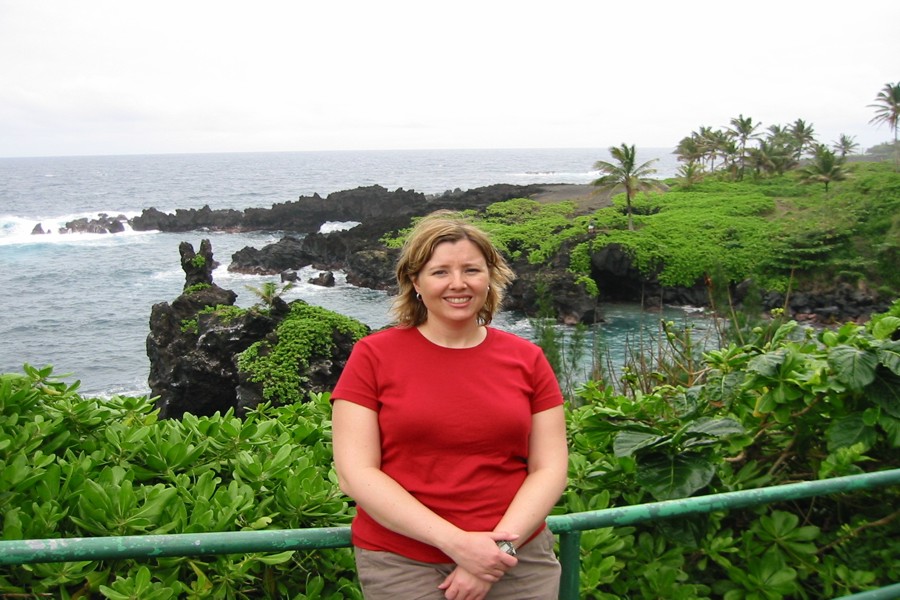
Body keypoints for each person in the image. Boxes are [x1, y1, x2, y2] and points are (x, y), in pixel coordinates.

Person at [331, 211, 568, 600]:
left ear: (489, 277)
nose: (458, 284)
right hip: (403, 562)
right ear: (415, 281)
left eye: (471, 270)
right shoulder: (373, 355)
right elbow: (355, 473)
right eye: (440, 272)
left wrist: (496, 553)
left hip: (518, 558)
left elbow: (550, 468)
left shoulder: (527, 359)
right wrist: (459, 545)